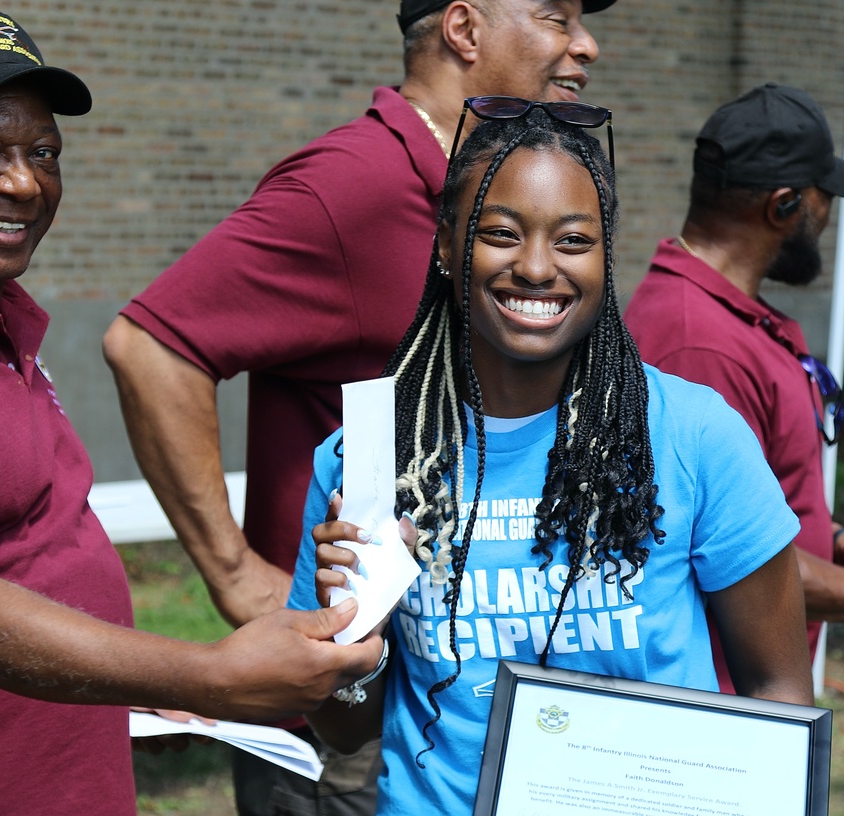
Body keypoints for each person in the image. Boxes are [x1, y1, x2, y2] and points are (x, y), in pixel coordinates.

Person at [0, 4, 383, 815]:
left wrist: (137, 672)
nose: (22, 182)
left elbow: (30, 549)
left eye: (43, 153)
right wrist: (201, 671)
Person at [102, 1, 616, 811]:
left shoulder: (501, 193)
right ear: (464, 29)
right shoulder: (355, 183)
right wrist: (237, 575)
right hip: (345, 716)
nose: (584, 44)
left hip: (468, 692)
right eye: (555, 16)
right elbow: (151, 347)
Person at [288, 103, 814, 816]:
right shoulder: (374, 455)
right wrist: (357, 625)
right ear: (446, 246)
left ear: (604, 257)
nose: (536, 268)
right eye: (500, 234)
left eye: (573, 240)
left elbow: (779, 690)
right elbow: (345, 728)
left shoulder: (693, 436)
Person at [624, 83, 844, 693]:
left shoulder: (732, 317)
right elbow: (720, 548)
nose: (827, 219)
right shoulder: (697, 343)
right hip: (726, 706)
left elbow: (770, 503)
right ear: (785, 205)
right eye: (824, 200)